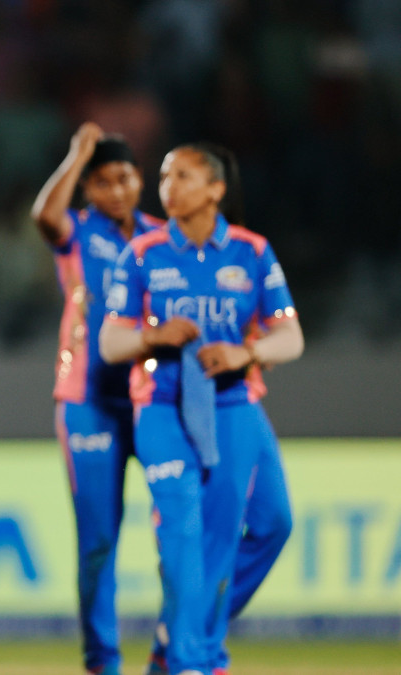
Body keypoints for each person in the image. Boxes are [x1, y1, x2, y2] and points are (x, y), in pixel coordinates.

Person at [99, 144, 304, 675]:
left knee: (271, 524)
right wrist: (152, 337)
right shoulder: (143, 253)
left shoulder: (251, 251)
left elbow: (291, 337)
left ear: (216, 189)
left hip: (234, 404)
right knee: (184, 533)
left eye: (184, 176)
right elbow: (110, 343)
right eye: (165, 175)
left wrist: (246, 352)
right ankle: (192, 660)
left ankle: (183, 627)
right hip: (162, 407)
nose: (169, 186)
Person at [29, 124, 163, 675]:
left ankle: (174, 649)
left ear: (140, 179)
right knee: (98, 542)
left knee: (177, 533)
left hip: (153, 398)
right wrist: (77, 153)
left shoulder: (160, 237)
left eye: (124, 178)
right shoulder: (78, 230)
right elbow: (44, 216)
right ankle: (102, 663)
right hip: (88, 400)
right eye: (102, 181)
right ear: (87, 188)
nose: (116, 190)